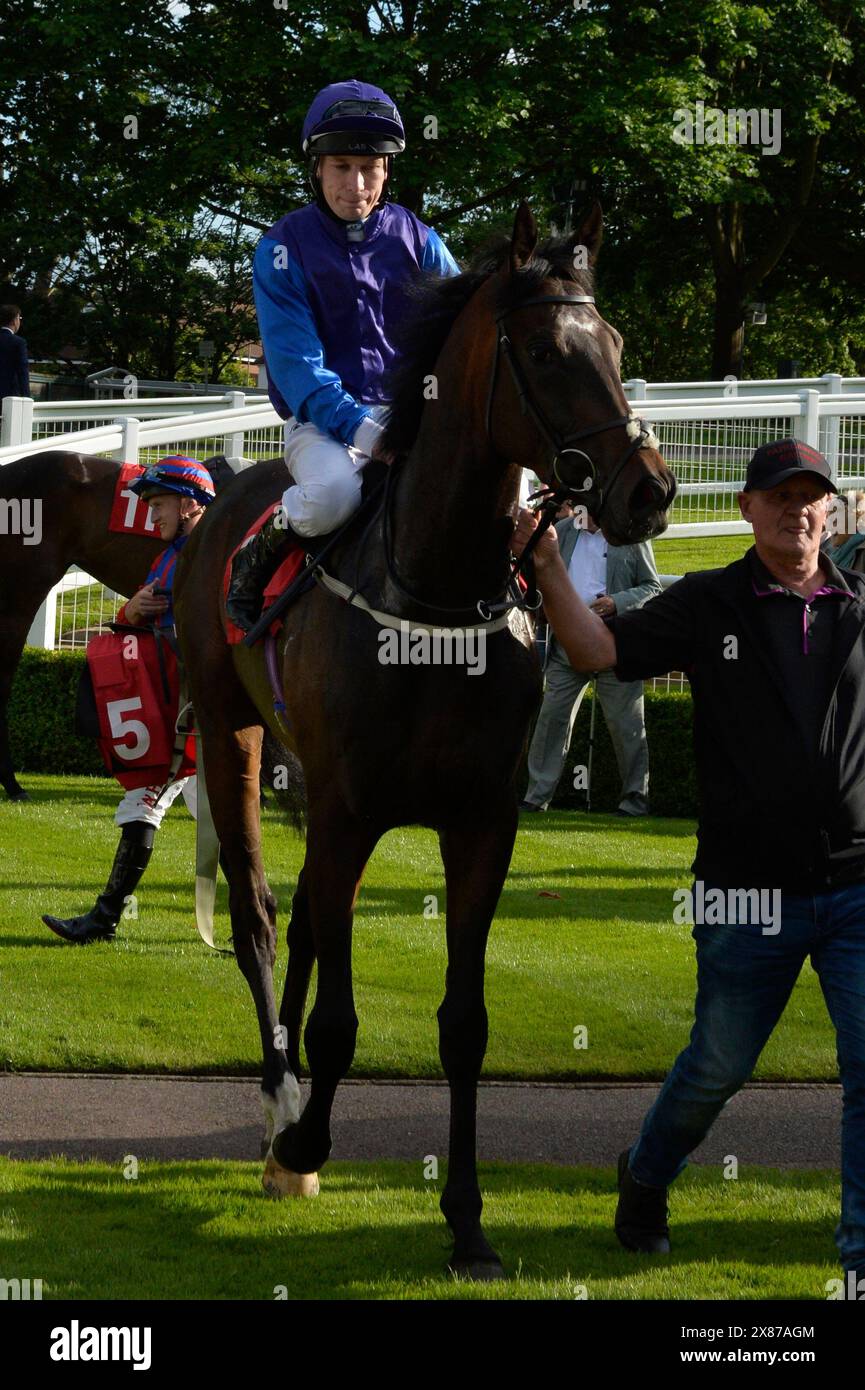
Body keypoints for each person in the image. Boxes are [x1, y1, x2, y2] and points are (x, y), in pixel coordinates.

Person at [511, 437, 865, 1285]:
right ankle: (645, 1174)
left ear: (831, 510)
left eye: (810, 495)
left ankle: (857, 1260)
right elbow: (597, 654)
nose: (796, 509)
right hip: (745, 893)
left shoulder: (859, 606)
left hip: (857, 886)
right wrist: (549, 561)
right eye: (778, 495)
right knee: (715, 1067)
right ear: (746, 510)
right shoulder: (708, 603)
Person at [226, 79, 460, 632]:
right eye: (341, 167)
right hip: (325, 427)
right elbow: (296, 368)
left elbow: (464, 324)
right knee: (331, 498)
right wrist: (367, 434)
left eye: (370, 167)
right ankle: (258, 551)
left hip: (411, 414)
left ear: (386, 171)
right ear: (317, 168)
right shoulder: (282, 248)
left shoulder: (420, 239)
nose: (357, 184)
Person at [42, 457, 215, 945]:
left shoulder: (209, 553)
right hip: (177, 712)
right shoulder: (170, 554)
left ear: (187, 504)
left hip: (201, 715)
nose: (150, 516)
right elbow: (142, 618)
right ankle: (106, 917)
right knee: (152, 807)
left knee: (185, 815)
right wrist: (130, 610)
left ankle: (105, 918)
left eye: (157, 505)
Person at [520, 507, 661, 816]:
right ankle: (536, 797)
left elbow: (652, 587)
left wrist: (616, 603)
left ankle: (635, 802)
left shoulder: (630, 533)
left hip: (616, 645)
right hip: (567, 647)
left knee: (627, 727)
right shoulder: (563, 530)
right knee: (551, 721)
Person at [0, 304, 30, 400]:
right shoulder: (18, 342)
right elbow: (22, 370)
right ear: (15, 320)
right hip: (8, 398)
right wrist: (26, 396)